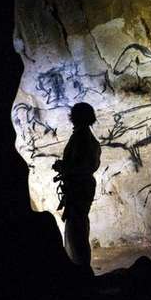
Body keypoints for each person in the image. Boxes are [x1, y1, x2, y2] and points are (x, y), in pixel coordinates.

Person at [52, 102, 101, 268]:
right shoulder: (87, 137)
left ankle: (81, 271)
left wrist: (62, 166)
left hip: (78, 189)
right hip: (82, 188)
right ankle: (80, 267)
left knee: (76, 231)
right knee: (78, 228)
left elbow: (80, 166)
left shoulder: (81, 138)